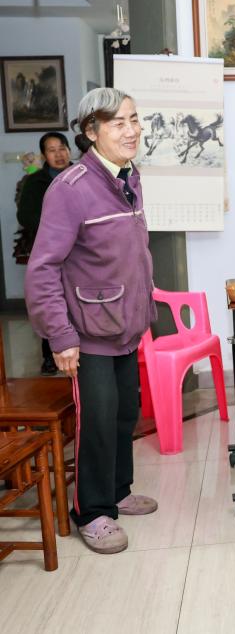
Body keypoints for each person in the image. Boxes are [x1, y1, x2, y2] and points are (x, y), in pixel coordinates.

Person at [25, 88, 158, 554]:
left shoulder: (128, 176)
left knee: (123, 414)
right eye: (119, 122)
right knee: (97, 420)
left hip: (124, 323)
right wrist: (61, 336)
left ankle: (118, 491)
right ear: (91, 132)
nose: (131, 130)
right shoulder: (71, 188)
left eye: (134, 119)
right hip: (88, 331)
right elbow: (43, 267)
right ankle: (92, 510)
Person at [16, 132, 72, 375]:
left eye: (62, 148)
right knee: (52, 303)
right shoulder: (35, 182)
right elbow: (25, 216)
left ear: (69, 150)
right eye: (52, 150)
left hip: (80, 251)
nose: (59, 154)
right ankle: (50, 354)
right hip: (49, 250)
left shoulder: (82, 174)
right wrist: (55, 230)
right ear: (43, 156)